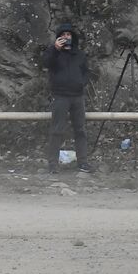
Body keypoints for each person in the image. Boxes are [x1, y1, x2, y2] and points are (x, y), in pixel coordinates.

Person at [43, 23, 90, 174]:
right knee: (57, 130)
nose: (66, 37)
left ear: (73, 37)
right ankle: (53, 164)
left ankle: (83, 162)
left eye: (68, 34)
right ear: (58, 37)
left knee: (80, 130)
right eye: (63, 34)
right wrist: (54, 49)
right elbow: (45, 63)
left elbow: (87, 72)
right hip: (60, 96)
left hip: (78, 96)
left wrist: (81, 83)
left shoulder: (80, 55)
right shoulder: (54, 54)